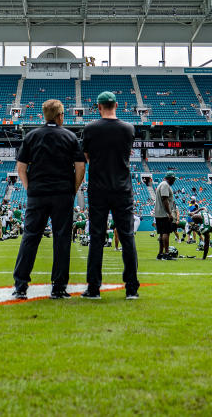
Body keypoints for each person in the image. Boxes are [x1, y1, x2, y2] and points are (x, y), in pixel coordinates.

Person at [12, 98, 85, 299]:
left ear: (44, 115)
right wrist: (73, 189)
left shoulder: (32, 136)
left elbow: (21, 167)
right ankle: (59, 287)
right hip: (62, 193)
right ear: (60, 115)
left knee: (30, 237)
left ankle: (20, 286)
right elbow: (80, 167)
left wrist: (29, 188)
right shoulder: (70, 137)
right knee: (62, 240)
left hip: (37, 194)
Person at [81, 91, 139, 300]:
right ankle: (131, 289)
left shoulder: (90, 129)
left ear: (98, 107)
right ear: (116, 105)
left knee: (96, 238)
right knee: (127, 237)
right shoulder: (128, 128)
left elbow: (86, 156)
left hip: (98, 188)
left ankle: (94, 288)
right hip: (122, 189)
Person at [154, 172, 176, 259]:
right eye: (173, 179)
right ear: (170, 178)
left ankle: (160, 254)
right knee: (166, 233)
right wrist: (169, 213)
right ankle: (166, 254)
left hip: (159, 213)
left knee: (161, 234)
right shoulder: (165, 185)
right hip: (164, 214)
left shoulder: (162, 184)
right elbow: (165, 199)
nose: (174, 181)